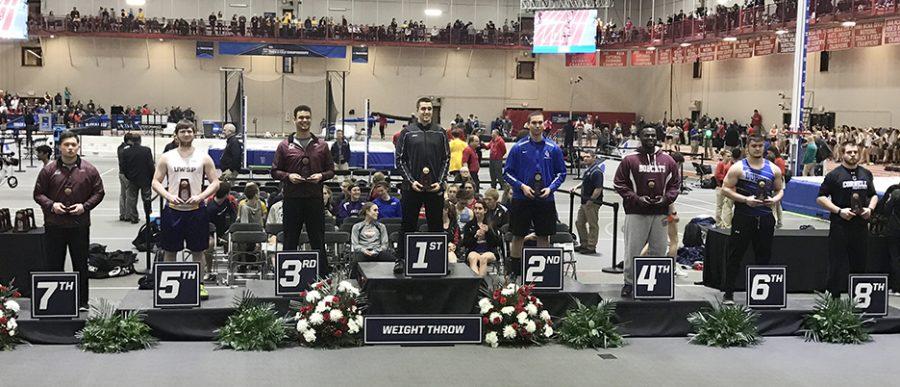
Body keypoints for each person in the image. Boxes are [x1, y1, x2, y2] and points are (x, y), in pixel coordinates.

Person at [33, 130, 105, 310]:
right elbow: (38, 194)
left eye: (73, 145)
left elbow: (99, 192)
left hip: (79, 225)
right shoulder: (49, 170)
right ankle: (56, 301)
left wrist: (85, 206)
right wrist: (51, 205)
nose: (70, 148)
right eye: (67, 145)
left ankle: (82, 302)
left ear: (78, 146)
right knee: (54, 264)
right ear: (59, 147)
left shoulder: (89, 170)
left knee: (80, 264)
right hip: (54, 225)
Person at [152, 120, 220, 300]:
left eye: (189, 131)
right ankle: (169, 284)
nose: (186, 134)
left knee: (198, 251)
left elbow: (215, 182)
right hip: (173, 210)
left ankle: (199, 285)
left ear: (194, 134)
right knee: (170, 250)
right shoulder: (167, 157)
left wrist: (201, 196)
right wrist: (167, 196)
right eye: (182, 131)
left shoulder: (204, 157)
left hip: (196, 210)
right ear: (176, 135)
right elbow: (155, 181)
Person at [613, 127, 681, 297]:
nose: (650, 138)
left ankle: (654, 282)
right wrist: (636, 198)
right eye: (646, 135)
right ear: (640, 137)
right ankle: (629, 282)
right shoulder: (629, 160)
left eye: (653, 135)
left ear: (657, 137)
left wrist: (666, 199)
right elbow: (619, 184)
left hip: (660, 214)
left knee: (659, 249)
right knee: (633, 249)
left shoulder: (668, 161)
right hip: (636, 212)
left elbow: (675, 185)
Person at [720, 134, 784, 304]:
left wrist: (774, 200)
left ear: (764, 147)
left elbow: (780, 190)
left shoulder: (774, 169)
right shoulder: (738, 168)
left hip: (765, 218)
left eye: (760, 146)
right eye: (754, 146)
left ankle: (759, 294)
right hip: (743, 217)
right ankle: (728, 293)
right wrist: (745, 200)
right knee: (735, 255)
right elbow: (725, 189)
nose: (757, 148)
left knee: (764, 256)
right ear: (747, 147)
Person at [271, 105, 335, 275]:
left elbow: (331, 171)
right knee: (290, 239)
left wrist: (321, 176)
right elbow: (274, 171)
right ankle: (286, 279)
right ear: (294, 120)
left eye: (307, 117)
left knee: (318, 240)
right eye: (301, 117)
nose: (304, 120)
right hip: (292, 200)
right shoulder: (284, 145)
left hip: (314, 199)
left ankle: (323, 279)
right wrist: (288, 176)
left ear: (311, 119)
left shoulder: (322, 145)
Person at [503, 111, 567, 278]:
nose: (538, 126)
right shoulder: (518, 148)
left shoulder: (553, 149)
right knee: (518, 235)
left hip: (545, 199)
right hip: (521, 199)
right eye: (534, 123)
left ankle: (542, 273)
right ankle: (514, 273)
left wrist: (551, 189)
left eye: (540, 123)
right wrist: (521, 186)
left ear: (544, 124)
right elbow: (507, 173)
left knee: (543, 236)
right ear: (528, 124)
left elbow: (561, 173)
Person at [394, 97, 450, 272]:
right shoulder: (407, 132)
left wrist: (440, 183)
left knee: (436, 226)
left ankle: (439, 261)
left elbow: (446, 159)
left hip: (434, 188)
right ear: (417, 110)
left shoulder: (440, 133)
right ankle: (401, 260)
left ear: (432, 111)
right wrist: (411, 181)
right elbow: (400, 160)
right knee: (407, 224)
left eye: (429, 109)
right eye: (423, 109)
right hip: (412, 188)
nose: (426, 112)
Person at [816, 142, 878, 297]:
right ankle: (832, 299)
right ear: (842, 154)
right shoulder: (834, 175)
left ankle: (858, 299)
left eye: (855, 152)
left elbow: (873, 195)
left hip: (861, 226)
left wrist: (870, 209)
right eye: (849, 152)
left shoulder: (866, 173)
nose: (853, 155)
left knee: (860, 263)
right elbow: (821, 197)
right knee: (837, 263)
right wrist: (838, 211)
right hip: (840, 226)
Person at [349, 203, 393, 278]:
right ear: (367, 211)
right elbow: (355, 245)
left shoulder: (381, 226)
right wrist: (364, 250)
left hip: (378, 252)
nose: (377, 212)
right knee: (356, 262)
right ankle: (354, 283)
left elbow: (385, 245)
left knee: (392, 260)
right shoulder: (357, 227)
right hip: (363, 252)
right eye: (375, 210)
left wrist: (376, 251)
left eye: (378, 210)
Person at [120, 133, 155, 224]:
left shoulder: (126, 152)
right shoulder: (146, 150)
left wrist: (129, 176)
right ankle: (148, 216)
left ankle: (134, 217)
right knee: (147, 199)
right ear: (140, 140)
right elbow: (151, 165)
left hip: (132, 179)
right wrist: (152, 177)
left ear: (131, 140)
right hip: (145, 179)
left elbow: (123, 166)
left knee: (132, 199)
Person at [462, 199, 502, 277]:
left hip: (489, 251)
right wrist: (475, 236)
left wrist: (488, 232)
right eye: (475, 208)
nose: (477, 211)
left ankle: (479, 284)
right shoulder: (469, 225)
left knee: (483, 258)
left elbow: (496, 243)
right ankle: (478, 283)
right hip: (474, 250)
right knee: (473, 258)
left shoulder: (492, 225)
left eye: (480, 209)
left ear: (485, 210)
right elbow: (466, 243)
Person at [575, 152, 605, 255]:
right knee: (579, 223)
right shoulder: (588, 170)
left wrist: (591, 200)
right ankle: (584, 243)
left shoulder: (597, 172)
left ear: (594, 158)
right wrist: (576, 187)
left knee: (593, 224)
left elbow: (598, 188)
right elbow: (585, 182)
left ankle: (591, 246)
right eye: (584, 157)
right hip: (584, 202)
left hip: (592, 203)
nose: (585, 159)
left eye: (588, 157)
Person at [714, 149, 737, 228]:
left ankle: (724, 223)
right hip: (721, 187)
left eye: (730, 156)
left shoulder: (730, 165)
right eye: (728, 156)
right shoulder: (721, 164)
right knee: (719, 206)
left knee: (726, 206)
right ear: (723, 156)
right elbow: (717, 175)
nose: (729, 157)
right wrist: (725, 180)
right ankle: (718, 223)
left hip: (728, 188)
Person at [767, 146, 787, 228]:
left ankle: (775, 221)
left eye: (769, 152)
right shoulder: (779, 160)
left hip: (777, 183)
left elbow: (781, 173)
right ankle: (779, 221)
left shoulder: (777, 161)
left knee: (774, 204)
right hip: (779, 182)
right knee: (777, 204)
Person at [117, 133, 132, 221]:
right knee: (129, 194)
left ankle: (122, 213)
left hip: (121, 172)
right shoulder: (127, 149)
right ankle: (128, 214)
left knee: (122, 195)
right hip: (127, 174)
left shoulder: (120, 147)